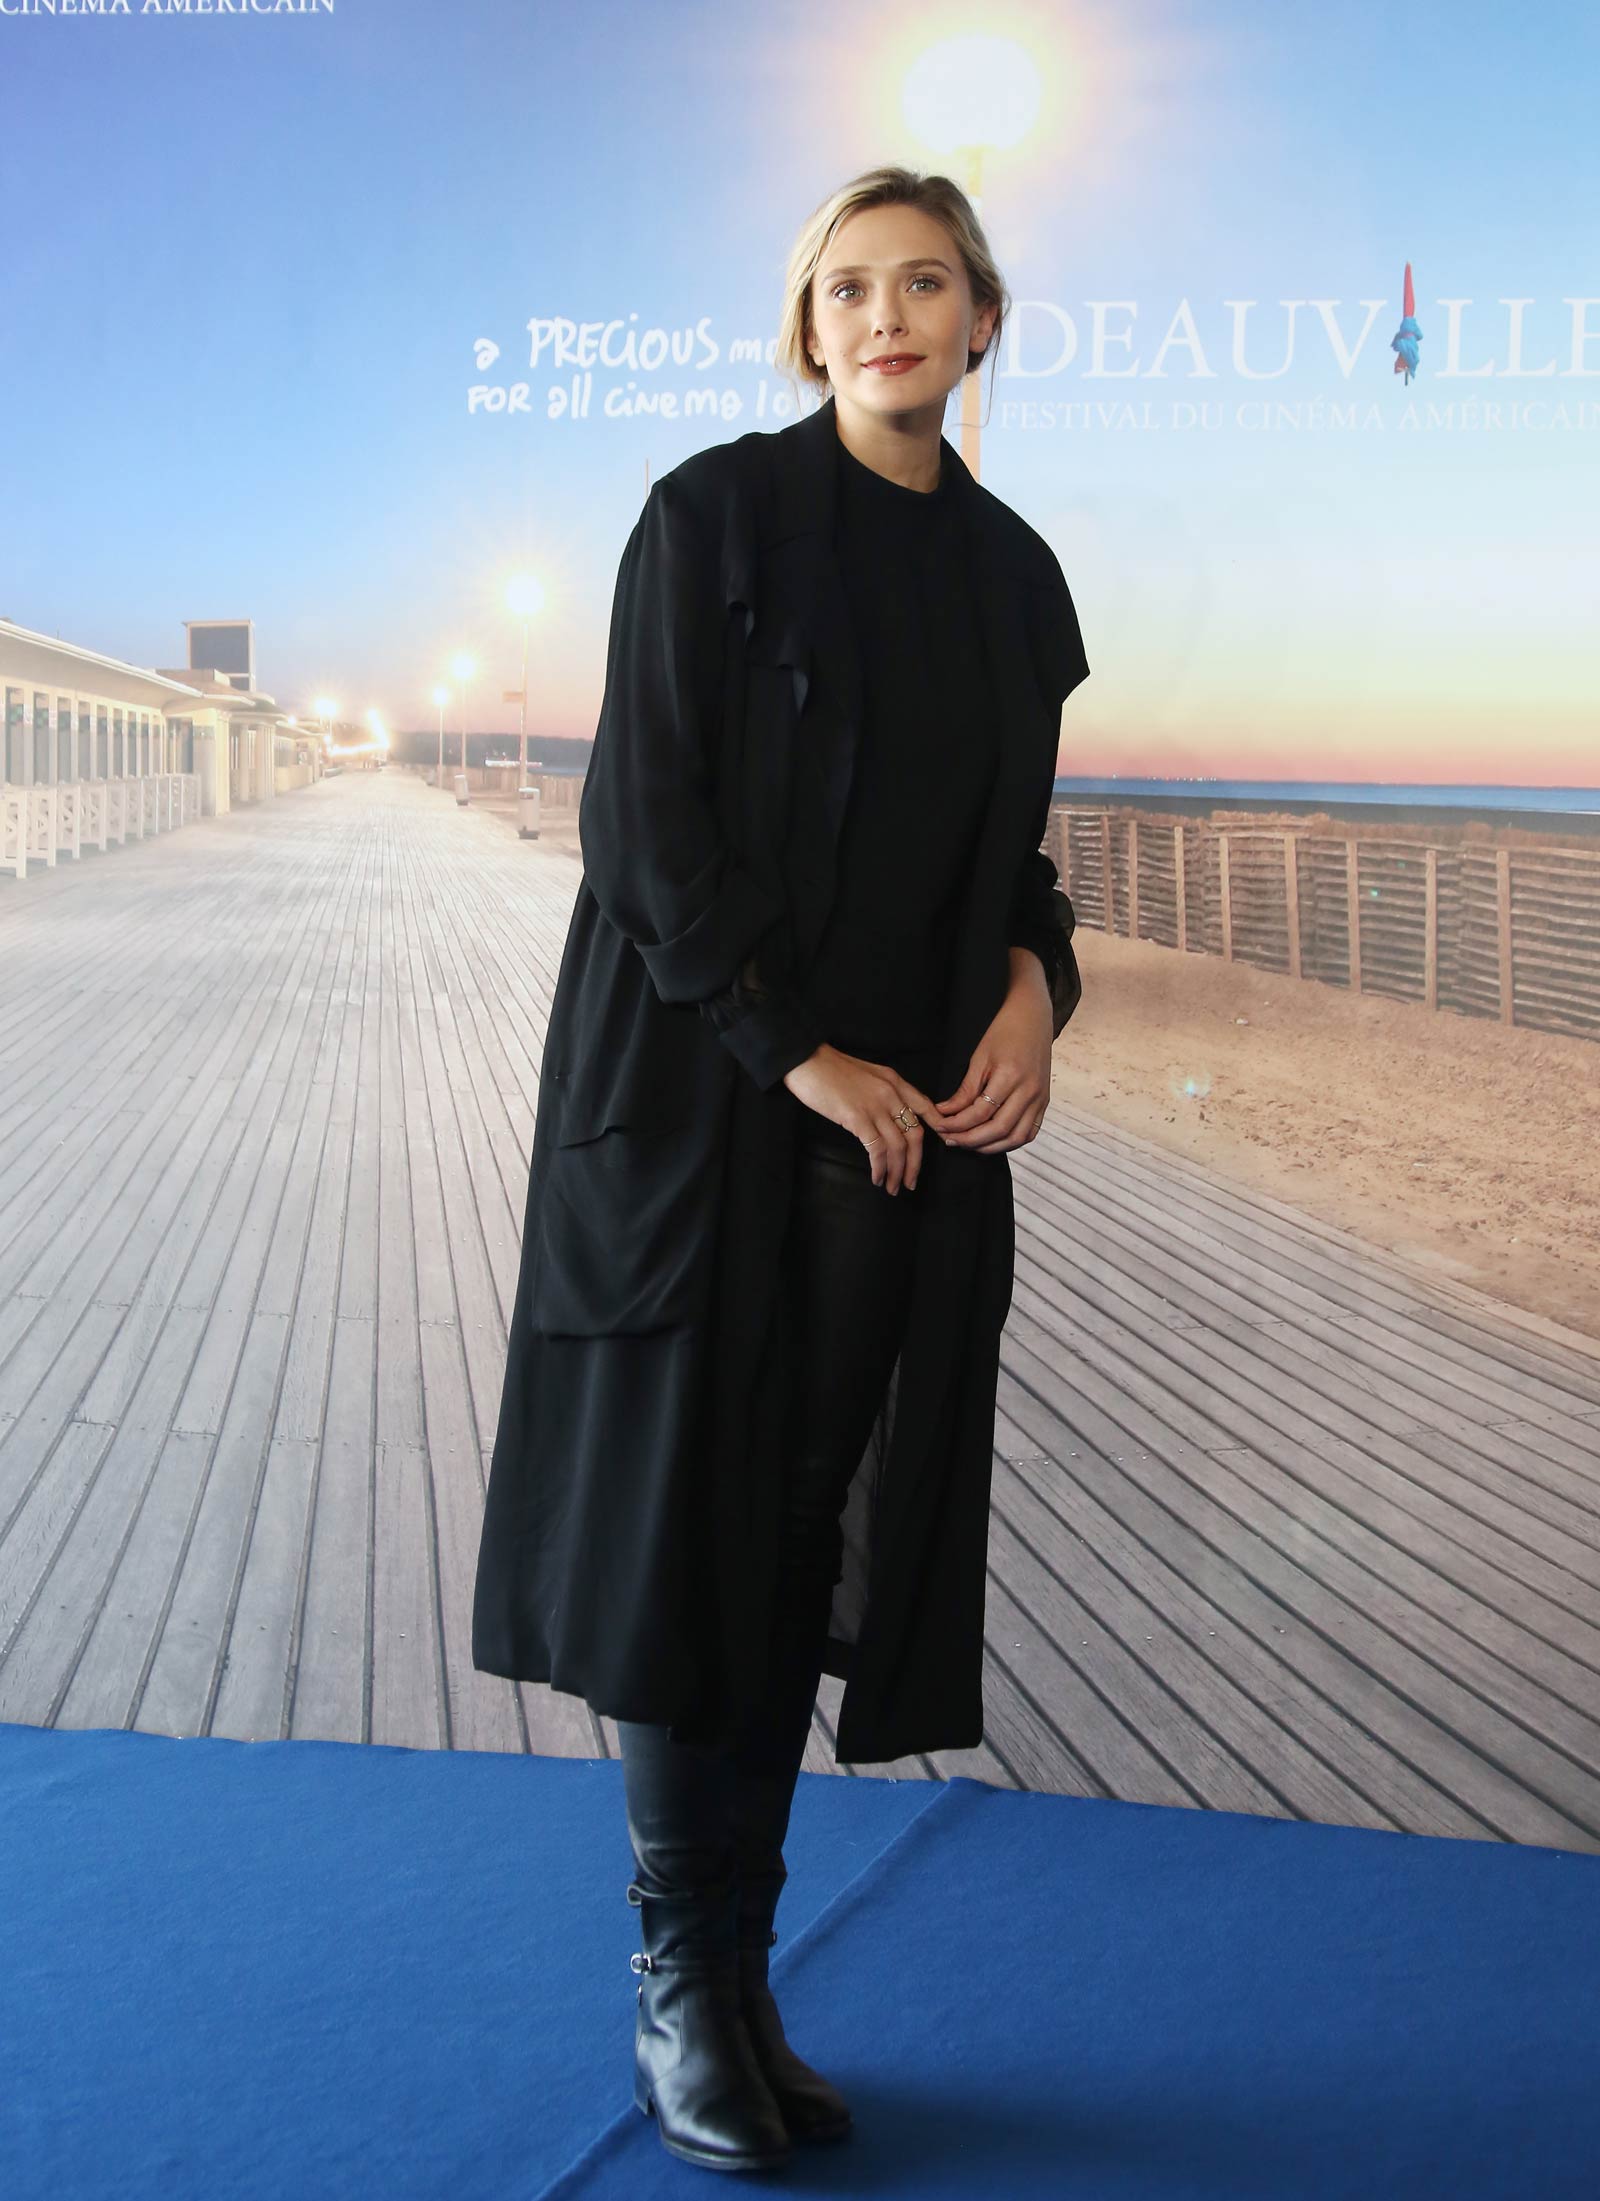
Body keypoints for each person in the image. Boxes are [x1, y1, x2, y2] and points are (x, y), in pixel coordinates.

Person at [471, 164, 1090, 2175]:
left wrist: (1027, 990)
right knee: (690, 1553)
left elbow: (1006, 862)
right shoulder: (714, 520)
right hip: (707, 1120)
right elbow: (641, 833)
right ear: (802, 328)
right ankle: (679, 1984)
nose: (883, 313)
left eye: (923, 282)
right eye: (845, 287)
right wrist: (796, 1049)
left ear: (979, 320)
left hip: (900, 1140)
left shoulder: (1013, 582)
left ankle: (741, 1982)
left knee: (799, 1523)